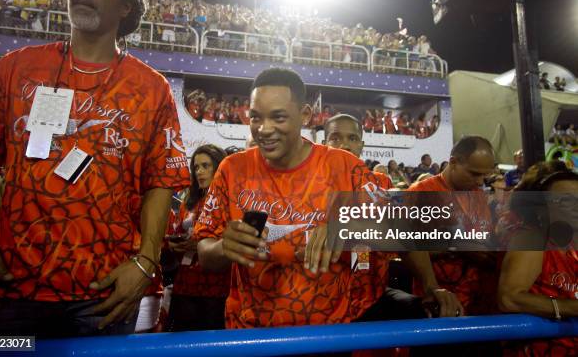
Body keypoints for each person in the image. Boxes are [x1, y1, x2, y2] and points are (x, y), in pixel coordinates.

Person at [0, 0, 190, 337]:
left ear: (126, 5)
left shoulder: (151, 89)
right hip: (9, 286)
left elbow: (162, 183)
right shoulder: (16, 67)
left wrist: (145, 263)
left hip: (101, 296)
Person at [194, 68, 462, 329]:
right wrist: (223, 248)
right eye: (255, 118)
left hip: (332, 333)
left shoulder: (345, 167)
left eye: (278, 117)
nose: (264, 129)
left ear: (305, 115)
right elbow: (205, 251)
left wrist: (347, 227)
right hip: (253, 334)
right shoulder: (231, 169)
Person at [408, 136, 499, 316]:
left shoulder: (478, 195)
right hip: (440, 305)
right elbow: (405, 248)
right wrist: (456, 247)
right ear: (453, 162)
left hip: (478, 301)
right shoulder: (422, 193)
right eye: (474, 173)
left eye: (485, 175)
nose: (481, 181)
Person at [498, 161, 577, 356]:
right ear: (542, 209)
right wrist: (571, 308)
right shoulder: (531, 239)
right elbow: (509, 299)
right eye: (565, 200)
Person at [166, 145, 230, 332]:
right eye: (196, 167)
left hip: (216, 289)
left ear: (219, 167)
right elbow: (177, 232)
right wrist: (173, 244)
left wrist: (204, 244)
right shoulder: (189, 201)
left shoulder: (229, 201)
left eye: (205, 166)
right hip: (184, 285)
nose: (199, 172)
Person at [323, 113, 393, 189]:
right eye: (335, 139)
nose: (344, 146)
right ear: (324, 145)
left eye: (352, 139)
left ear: (361, 145)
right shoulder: (309, 181)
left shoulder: (381, 183)